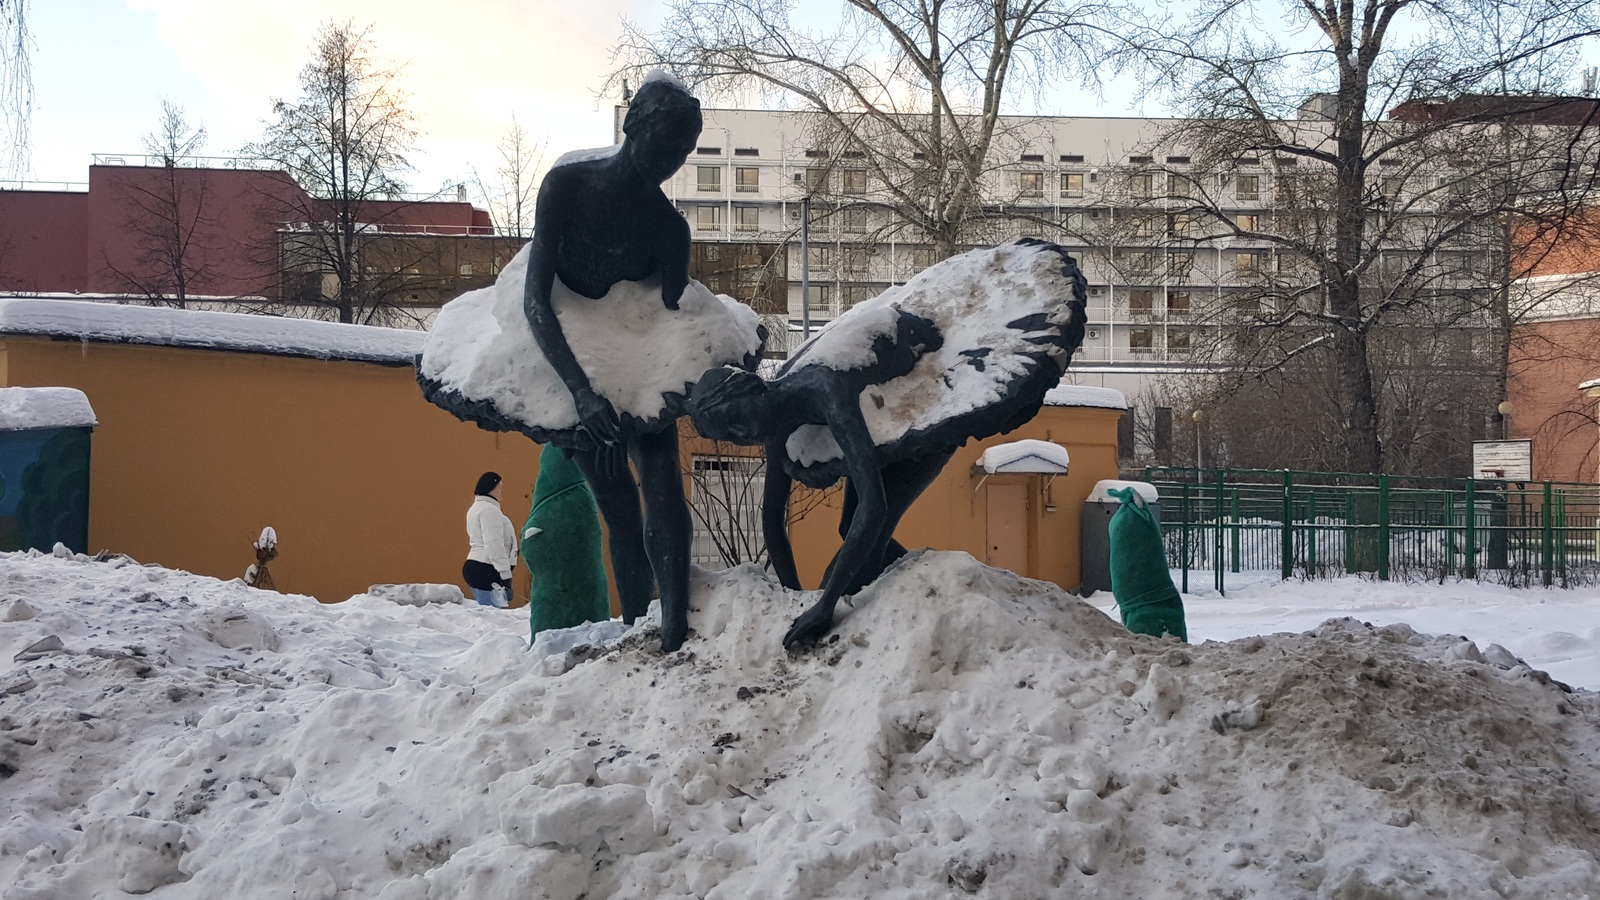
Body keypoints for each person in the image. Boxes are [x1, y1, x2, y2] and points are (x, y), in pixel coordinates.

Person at [417, 72, 762, 652]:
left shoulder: (667, 229)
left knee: (662, 486)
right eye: (666, 145)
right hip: (565, 358)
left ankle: (670, 630)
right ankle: (635, 631)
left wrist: (727, 341)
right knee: (620, 511)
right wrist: (581, 392)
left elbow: (676, 313)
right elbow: (535, 300)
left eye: (683, 152)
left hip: (637, 363)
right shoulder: (568, 187)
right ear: (634, 127)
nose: (672, 162)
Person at [689, 239, 1087, 648]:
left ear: (754, 393)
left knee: (854, 555)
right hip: (886, 412)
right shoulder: (776, 422)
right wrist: (792, 598)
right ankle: (924, 588)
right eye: (731, 437)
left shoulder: (825, 387)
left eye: (736, 425)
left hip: (931, 400)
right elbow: (773, 519)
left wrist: (824, 602)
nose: (742, 438)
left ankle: (930, 591)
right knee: (850, 530)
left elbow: (874, 506)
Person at [522, 444, 610, 638]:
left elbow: (536, 545)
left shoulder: (565, 496)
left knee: (561, 606)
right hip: (588, 601)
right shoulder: (581, 496)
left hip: (557, 601)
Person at [463, 471, 516, 607]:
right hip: (486, 569)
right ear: (490, 488)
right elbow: (494, 544)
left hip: (478, 566)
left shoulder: (476, 508)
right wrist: (506, 575)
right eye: (499, 487)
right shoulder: (489, 510)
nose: (502, 491)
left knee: (486, 617)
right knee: (492, 620)